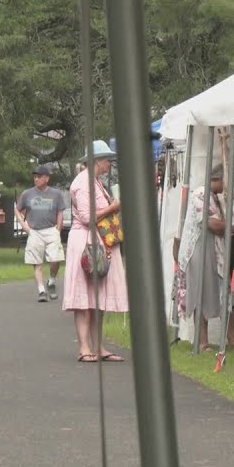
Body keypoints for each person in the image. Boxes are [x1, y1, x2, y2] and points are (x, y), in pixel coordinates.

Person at [62, 141, 128, 362]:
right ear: (97, 160)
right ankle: (84, 347)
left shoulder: (95, 182)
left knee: (98, 296)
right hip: (86, 241)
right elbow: (86, 217)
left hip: (99, 240)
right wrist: (113, 207)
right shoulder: (83, 183)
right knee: (83, 297)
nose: (110, 163)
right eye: (107, 159)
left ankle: (97, 346)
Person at [175, 164, 234, 351]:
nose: (230, 186)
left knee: (226, 295)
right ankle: (202, 342)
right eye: (229, 182)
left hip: (215, 250)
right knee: (200, 294)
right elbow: (212, 224)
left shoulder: (214, 198)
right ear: (219, 179)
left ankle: (232, 341)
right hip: (198, 250)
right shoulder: (200, 195)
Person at [18, 165, 67, 302]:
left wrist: (58, 228)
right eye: (35, 176)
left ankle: (51, 281)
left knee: (55, 259)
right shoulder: (27, 193)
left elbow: (60, 211)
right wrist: (24, 226)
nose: (36, 179)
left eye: (39, 176)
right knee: (36, 262)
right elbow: (18, 210)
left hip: (51, 229)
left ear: (47, 178)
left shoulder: (55, 194)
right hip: (35, 231)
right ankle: (41, 291)